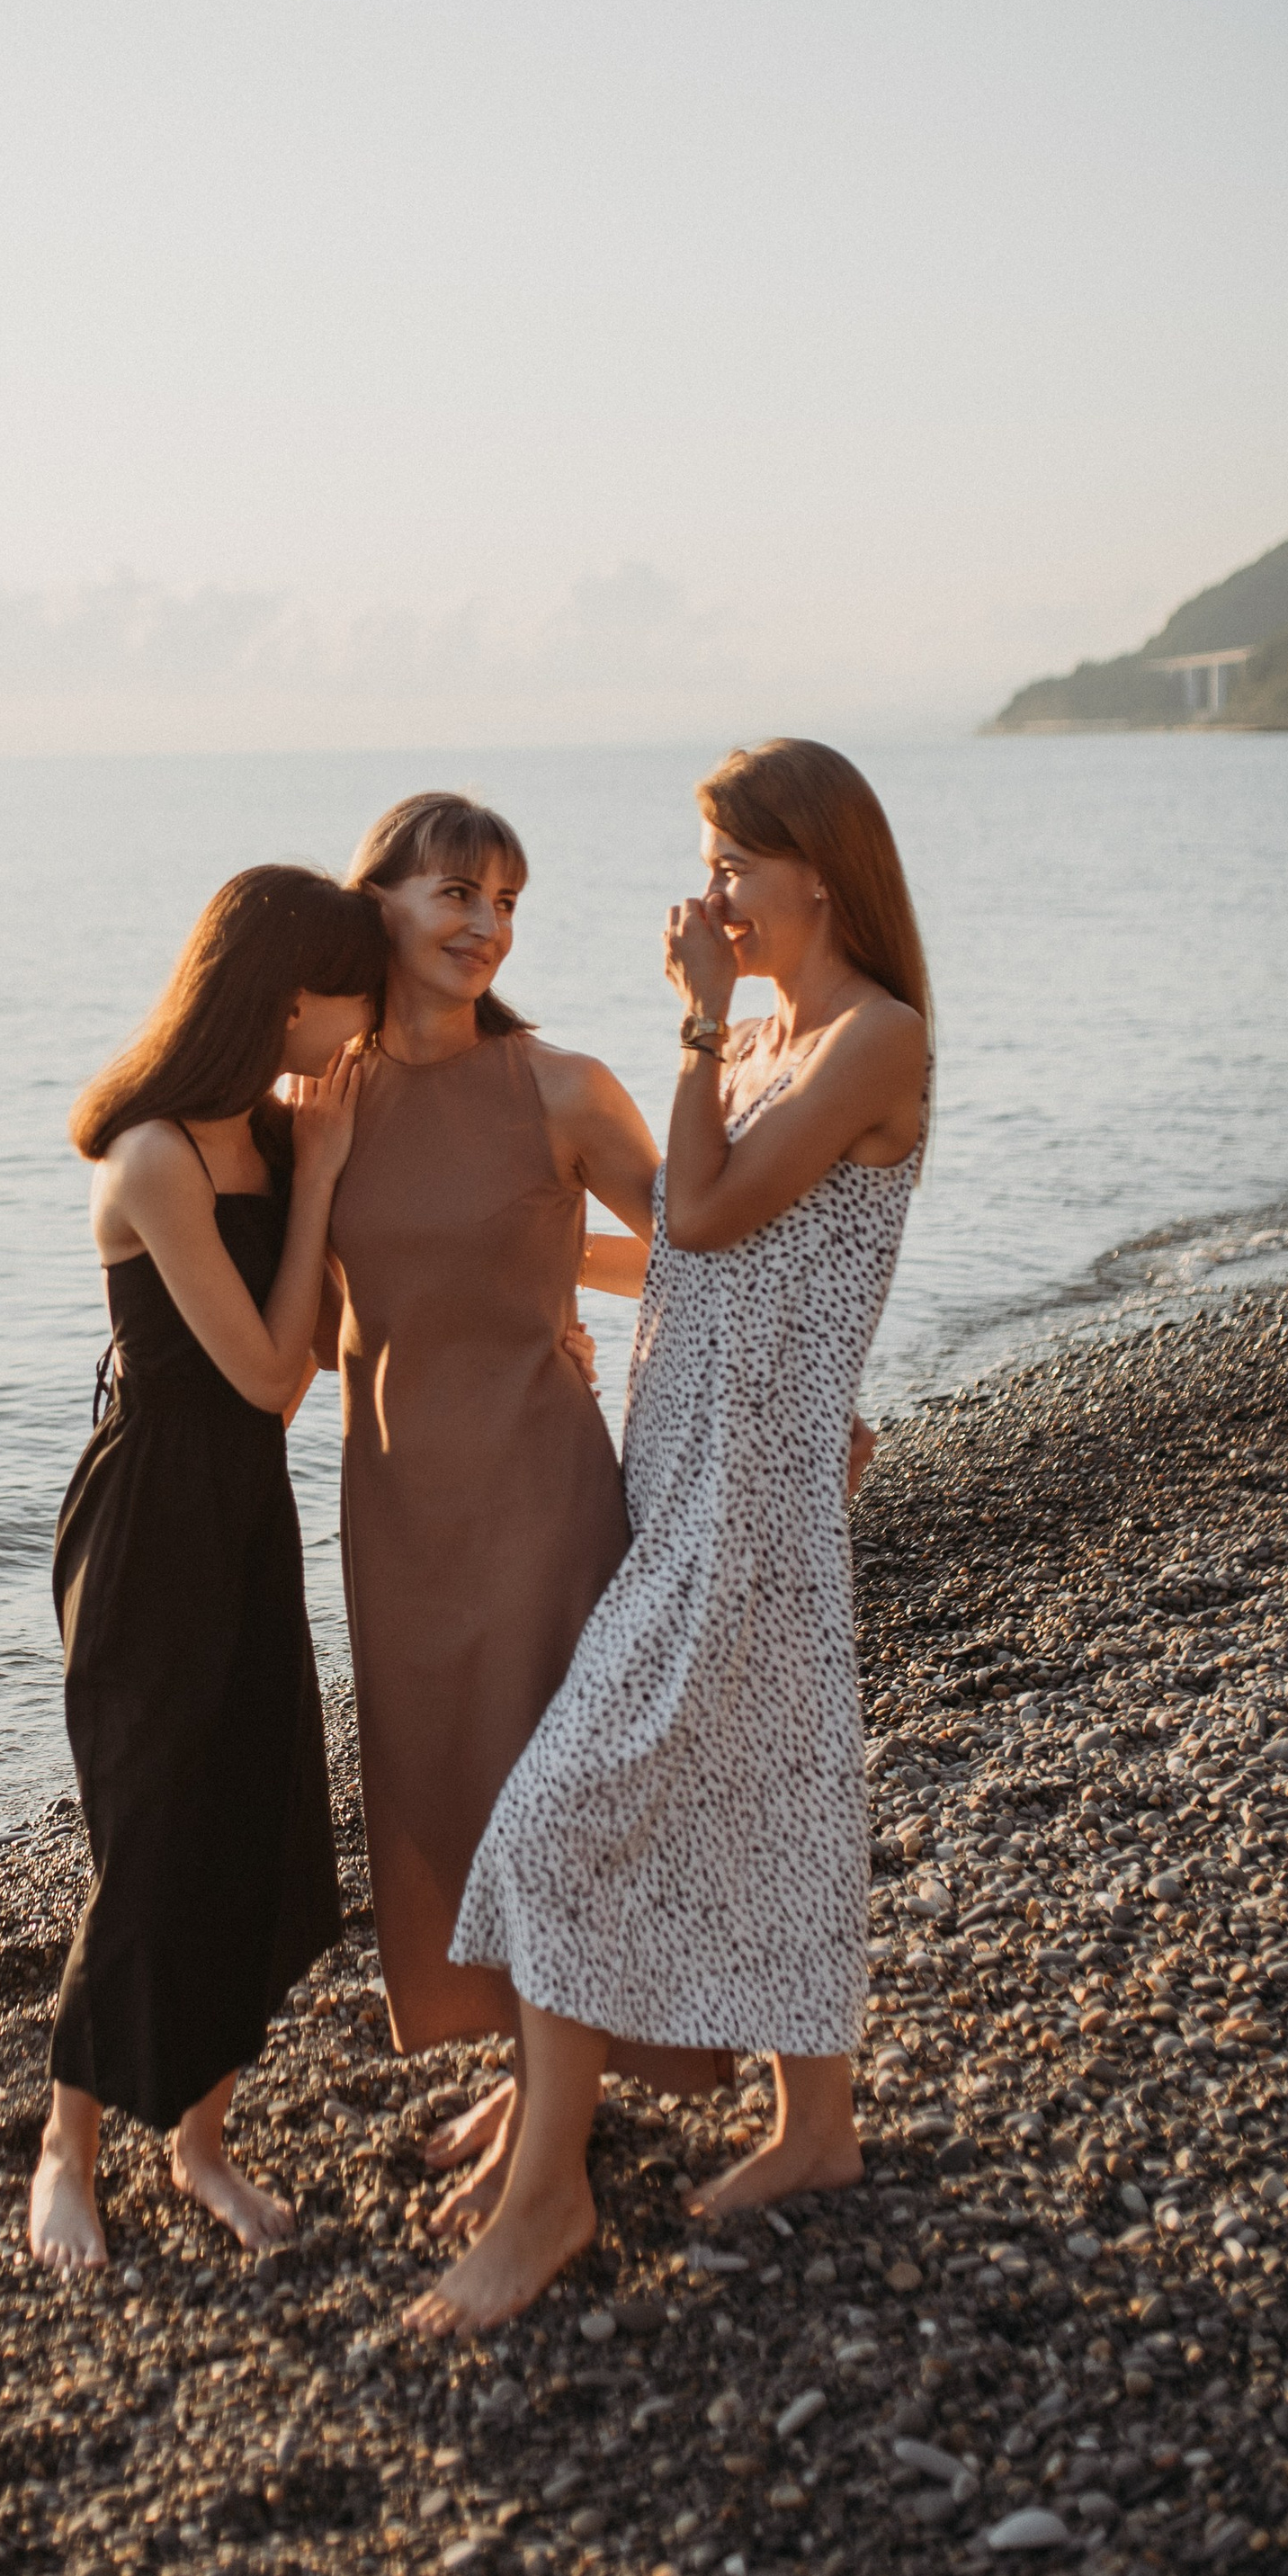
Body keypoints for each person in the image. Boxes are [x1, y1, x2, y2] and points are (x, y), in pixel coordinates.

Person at [408, 738, 931, 2335]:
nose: (706, 898)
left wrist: (695, 1020)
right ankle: (817, 2127)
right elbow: (705, 1264)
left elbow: (698, 1212)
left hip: (751, 1483)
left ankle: (549, 2192)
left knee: (566, 1810)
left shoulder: (868, 1038)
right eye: (706, 867)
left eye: (730, 868)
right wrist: (540, 1299)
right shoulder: (779, 1037)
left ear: (813, 873)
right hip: (693, 1464)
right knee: (778, 1776)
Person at [328, 792, 726, 2233]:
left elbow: (701, 1243)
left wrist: (794, 1408)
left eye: (505, 902)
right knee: (450, 1786)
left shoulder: (560, 1085)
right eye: (455, 895)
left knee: (552, 1786)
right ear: (374, 899)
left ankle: (557, 2119)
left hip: (538, 1489)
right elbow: (312, 1322)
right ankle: (533, 2071)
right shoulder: (328, 1093)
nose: (486, 926)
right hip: (393, 1503)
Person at [28, 865, 384, 2271]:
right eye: (353, 989)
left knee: (255, 1825)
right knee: (150, 1846)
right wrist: (324, 1187)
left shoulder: (284, 1138)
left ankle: (201, 2147)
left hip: (246, 1523)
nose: (366, 1018)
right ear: (292, 995)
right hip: (149, 1523)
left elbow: (330, 1334)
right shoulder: (157, 1155)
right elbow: (264, 1375)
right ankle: (68, 2152)